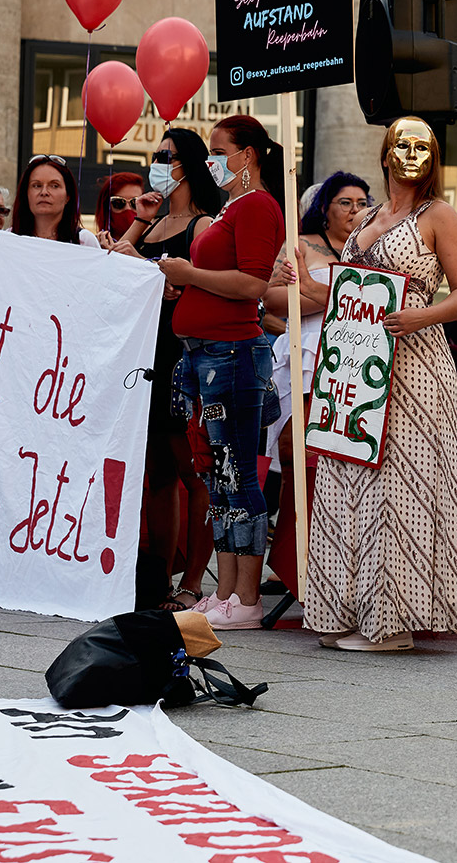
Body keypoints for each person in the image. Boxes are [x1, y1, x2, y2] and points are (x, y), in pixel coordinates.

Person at [305, 117, 457, 651]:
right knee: (345, 479)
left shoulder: (439, 215)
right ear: (384, 153)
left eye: (423, 146)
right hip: (356, 366)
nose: (411, 153)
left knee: (399, 487)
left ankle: (393, 623)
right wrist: (303, 279)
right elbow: (346, 286)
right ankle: (347, 611)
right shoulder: (370, 215)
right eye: (401, 143)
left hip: (416, 363)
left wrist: (420, 318)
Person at [159, 115, 285, 630]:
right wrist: (185, 286)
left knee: (237, 475)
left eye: (218, 149)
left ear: (247, 154)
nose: (211, 158)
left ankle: (246, 595)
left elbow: (253, 285)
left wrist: (189, 274)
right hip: (204, 353)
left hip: (231, 354)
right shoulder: (234, 207)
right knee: (217, 474)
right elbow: (222, 280)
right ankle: (226, 588)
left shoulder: (258, 205)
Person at [110, 129, 226, 612]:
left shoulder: (201, 225)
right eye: (155, 155)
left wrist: (155, 269)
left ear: (189, 164)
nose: (159, 162)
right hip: (146, 355)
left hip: (183, 354)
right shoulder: (153, 222)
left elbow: (193, 287)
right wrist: (139, 223)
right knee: (157, 469)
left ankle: (193, 582)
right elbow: (118, 262)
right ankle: (159, 573)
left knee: (192, 470)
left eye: (167, 156)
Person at [262, 171, 372, 535]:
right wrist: (332, 302)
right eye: (345, 202)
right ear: (325, 208)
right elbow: (273, 300)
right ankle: (291, 555)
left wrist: (321, 296)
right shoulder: (303, 245)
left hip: (355, 361)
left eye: (362, 203)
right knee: (299, 456)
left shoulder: (372, 248)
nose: (354, 210)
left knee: (342, 459)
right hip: (307, 353)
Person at [9, 154, 101, 247]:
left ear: (68, 196)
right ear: (26, 194)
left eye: (54, 186)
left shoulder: (84, 241)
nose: (44, 192)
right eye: (37, 185)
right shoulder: (8, 238)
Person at [94, 171, 144, 244]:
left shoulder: (153, 246)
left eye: (135, 202)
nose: (128, 209)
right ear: (106, 207)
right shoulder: (93, 246)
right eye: (118, 202)